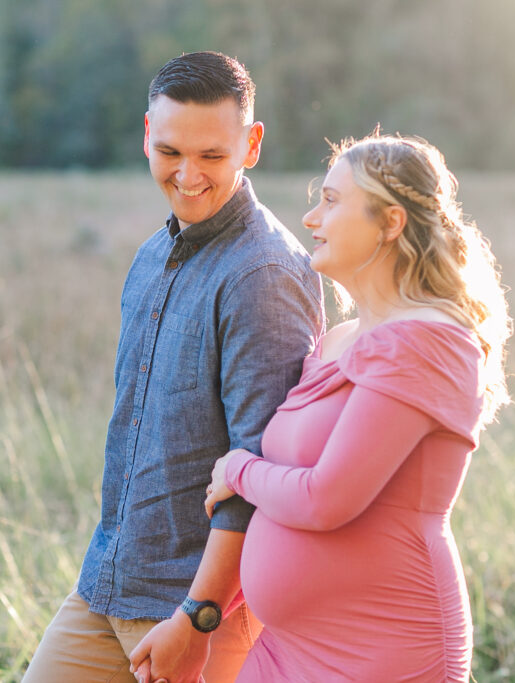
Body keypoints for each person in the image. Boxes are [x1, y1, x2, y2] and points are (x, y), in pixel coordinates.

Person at [22, 52, 324, 683]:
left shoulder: (262, 276)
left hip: (195, 609)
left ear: (252, 144)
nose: (188, 176)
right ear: (145, 136)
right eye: (170, 152)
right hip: (106, 585)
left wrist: (198, 614)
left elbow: (260, 470)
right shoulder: (153, 253)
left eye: (212, 156)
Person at [204, 132, 512, 681]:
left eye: (330, 200)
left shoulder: (426, 341)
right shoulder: (340, 339)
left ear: (390, 223)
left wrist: (237, 469)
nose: (309, 218)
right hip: (286, 647)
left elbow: (327, 499)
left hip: (383, 648)